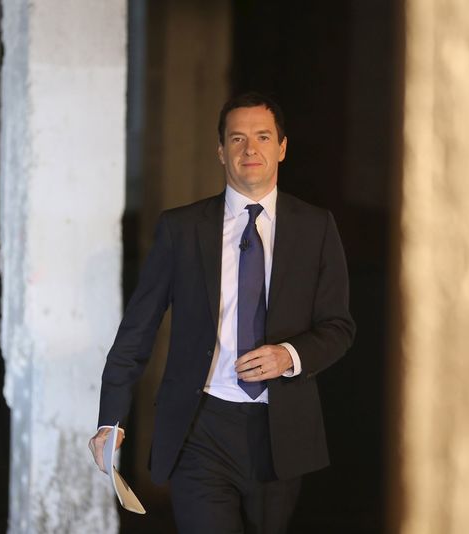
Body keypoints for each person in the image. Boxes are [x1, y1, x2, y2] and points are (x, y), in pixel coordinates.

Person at [88, 91, 356, 533]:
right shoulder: (181, 229)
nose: (250, 149)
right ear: (220, 152)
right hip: (201, 427)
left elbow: (339, 327)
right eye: (237, 139)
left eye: (263, 137)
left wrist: (288, 355)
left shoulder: (316, 227)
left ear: (282, 148)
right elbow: (137, 329)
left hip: (280, 429)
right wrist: (109, 419)